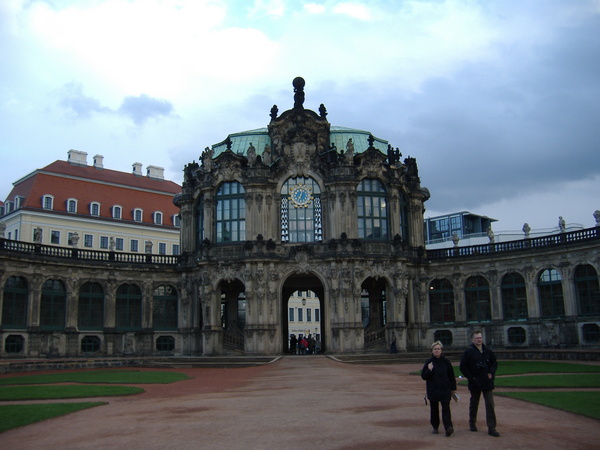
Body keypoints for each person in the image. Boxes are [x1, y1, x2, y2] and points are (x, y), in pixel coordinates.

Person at [460, 330, 500, 437]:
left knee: (490, 404)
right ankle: (472, 422)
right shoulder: (468, 352)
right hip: (475, 382)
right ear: (472, 339)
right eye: (477, 338)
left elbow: (494, 363)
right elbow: (463, 367)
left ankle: (492, 427)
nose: (479, 339)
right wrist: (471, 377)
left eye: (480, 337)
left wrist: (491, 372)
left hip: (487, 381)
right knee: (474, 403)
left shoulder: (487, 351)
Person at [421, 341, 457, 436]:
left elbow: (451, 376)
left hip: (445, 389)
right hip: (433, 389)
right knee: (434, 409)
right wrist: (429, 370)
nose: (437, 351)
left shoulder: (446, 362)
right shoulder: (429, 362)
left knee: (446, 409)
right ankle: (435, 426)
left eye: (438, 349)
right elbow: (424, 376)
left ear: (441, 351)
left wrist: (453, 388)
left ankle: (448, 427)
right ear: (432, 351)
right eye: (435, 349)